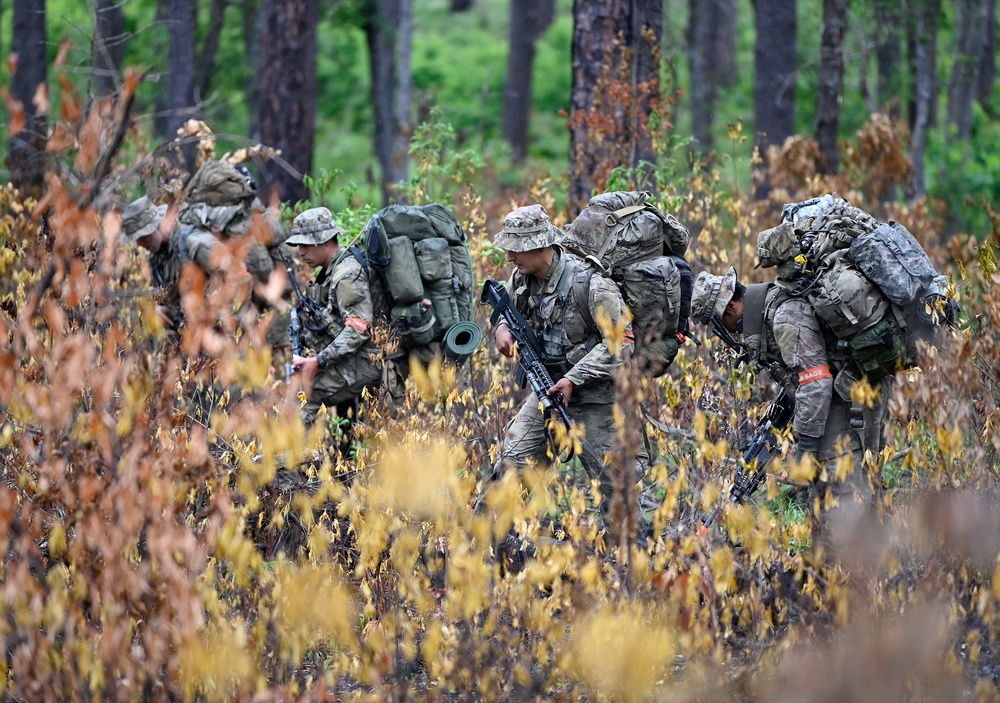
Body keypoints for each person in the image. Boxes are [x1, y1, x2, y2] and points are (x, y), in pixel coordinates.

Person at [690, 265, 893, 560]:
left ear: (732, 306)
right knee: (822, 494)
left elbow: (816, 381)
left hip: (854, 398)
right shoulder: (768, 314)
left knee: (843, 490)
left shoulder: (784, 317)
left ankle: (862, 574)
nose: (730, 333)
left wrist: (806, 446)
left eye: (725, 323)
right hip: (839, 395)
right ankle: (828, 570)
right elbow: (798, 380)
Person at [489, 204, 644, 524]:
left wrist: (574, 379)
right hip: (546, 391)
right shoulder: (521, 278)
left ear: (539, 244)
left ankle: (635, 563)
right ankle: (483, 555)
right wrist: (501, 329)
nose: (509, 257)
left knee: (619, 490)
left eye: (515, 248)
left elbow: (621, 343)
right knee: (509, 470)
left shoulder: (589, 283)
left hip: (596, 400)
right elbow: (507, 312)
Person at [284, 207, 383, 427]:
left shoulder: (345, 274)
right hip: (356, 357)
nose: (300, 251)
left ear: (323, 240)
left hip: (371, 360)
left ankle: (290, 459)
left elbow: (360, 326)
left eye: (305, 244)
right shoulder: (331, 270)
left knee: (302, 398)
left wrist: (319, 361)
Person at [121, 195, 183, 330]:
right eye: (137, 239)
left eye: (143, 237)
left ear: (155, 225)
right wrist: (157, 308)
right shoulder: (154, 258)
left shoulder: (187, 241)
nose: (141, 245)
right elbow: (164, 296)